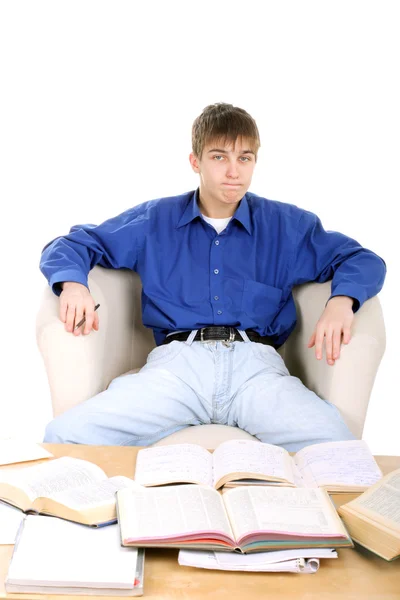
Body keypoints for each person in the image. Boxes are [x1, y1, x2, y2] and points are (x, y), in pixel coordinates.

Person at [40, 102, 386, 451]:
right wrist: (73, 285)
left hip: (258, 371)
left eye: (245, 158)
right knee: (65, 436)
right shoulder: (154, 220)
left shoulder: (286, 225)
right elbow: (73, 244)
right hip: (176, 370)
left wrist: (342, 301)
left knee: (343, 450)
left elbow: (361, 259)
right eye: (220, 157)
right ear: (196, 162)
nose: (233, 171)